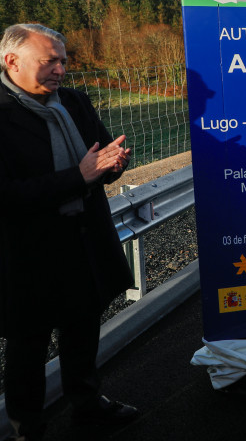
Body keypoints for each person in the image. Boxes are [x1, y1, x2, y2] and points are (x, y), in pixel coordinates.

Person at [0, 24, 137, 441]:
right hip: (28, 255)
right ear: (12, 62)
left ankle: (88, 405)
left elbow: (96, 160)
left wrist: (114, 165)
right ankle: (28, 429)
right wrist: (79, 177)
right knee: (28, 347)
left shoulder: (73, 102)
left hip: (83, 242)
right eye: (50, 61)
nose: (61, 69)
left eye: (63, 60)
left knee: (82, 331)